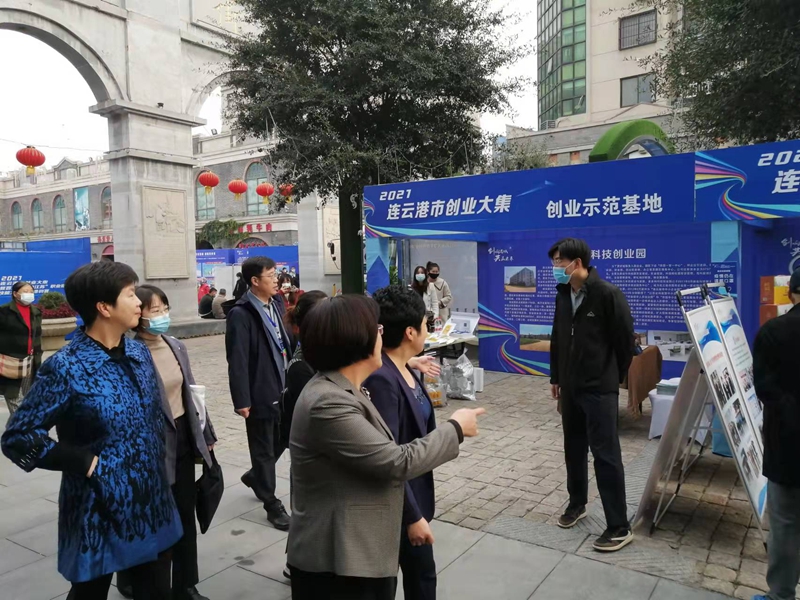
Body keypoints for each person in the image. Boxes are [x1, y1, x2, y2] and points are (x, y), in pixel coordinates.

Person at [1, 261, 182, 599]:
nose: (139, 303)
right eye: (130, 295)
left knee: (157, 588)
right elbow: (18, 436)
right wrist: (83, 462)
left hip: (150, 498)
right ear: (104, 307)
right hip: (98, 504)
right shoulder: (67, 367)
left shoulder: (138, 352)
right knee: (90, 592)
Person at [287, 294, 485, 600]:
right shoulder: (328, 402)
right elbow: (394, 461)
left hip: (358, 549)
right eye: (377, 330)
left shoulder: (346, 387)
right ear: (354, 342)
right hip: (337, 562)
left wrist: (409, 362)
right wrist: (455, 428)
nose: (383, 336)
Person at [116, 285, 218, 600]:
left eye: (164, 308)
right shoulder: (128, 353)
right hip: (149, 446)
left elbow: (191, 393)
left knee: (184, 514)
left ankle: (185, 584)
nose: (162, 315)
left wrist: (207, 435)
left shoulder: (175, 345)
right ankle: (130, 577)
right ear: (138, 315)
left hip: (183, 438)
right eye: (154, 310)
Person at [548, 237, 634, 552]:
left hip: (599, 389)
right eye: (554, 261)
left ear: (577, 263)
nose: (555, 267)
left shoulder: (607, 294)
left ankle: (619, 526)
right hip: (570, 388)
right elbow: (558, 337)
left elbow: (625, 343)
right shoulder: (562, 294)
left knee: (605, 455)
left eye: (559, 261)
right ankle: (577, 503)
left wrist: (610, 377)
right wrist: (557, 377)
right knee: (573, 448)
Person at [364, 285, 440, 600]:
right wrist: (412, 517)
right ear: (410, 332)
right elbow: (388, 457)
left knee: (423, 577)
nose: (427, 330)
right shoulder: (382, 379)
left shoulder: (403, 366)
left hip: (414, 496)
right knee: (410, 581)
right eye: (424, 324)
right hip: (398, 506)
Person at [225, 256, 292, 531]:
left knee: (284, 437)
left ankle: (256, 476)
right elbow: (237, 359)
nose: (277, 280)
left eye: (277, 274)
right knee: (263, 447)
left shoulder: (277, 303)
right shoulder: (242, 314)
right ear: (254, 281)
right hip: (260, 388)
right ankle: (271, 503)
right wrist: (242, 399)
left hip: (283, 385)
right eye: (271, 275)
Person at [752, 269, 800, 600]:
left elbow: (765, 389)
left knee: (784, 521)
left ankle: (781, 594)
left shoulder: (773, 332)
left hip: (787, 443)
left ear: (791, 292)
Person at [0, 281, 42, 415]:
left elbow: (37, 337)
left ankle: (18, 424)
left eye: (31, 292)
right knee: (14, 397)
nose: (29, 294)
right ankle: (20, 424)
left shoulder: (36, 312)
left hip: (30, 360)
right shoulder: (4, 311)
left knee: (27, 397)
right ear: (15, 294)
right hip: (10, 361)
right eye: (25, 291)